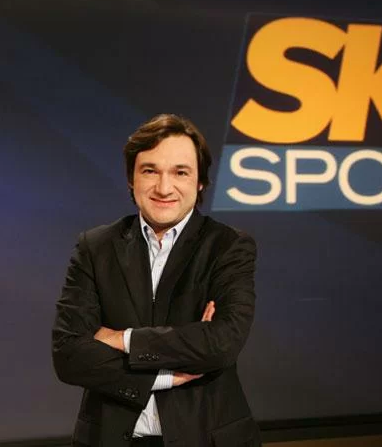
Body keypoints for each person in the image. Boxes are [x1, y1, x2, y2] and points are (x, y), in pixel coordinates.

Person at [52, 113, 260, 447]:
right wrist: (167, 372)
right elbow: (68, 355)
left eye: (180, 172)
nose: (164, 188)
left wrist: (122, 339)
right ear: (131, 179)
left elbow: (221, 343)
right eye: (150, 171)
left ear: (200, 181)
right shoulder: (95, 246)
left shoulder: (228, 246)